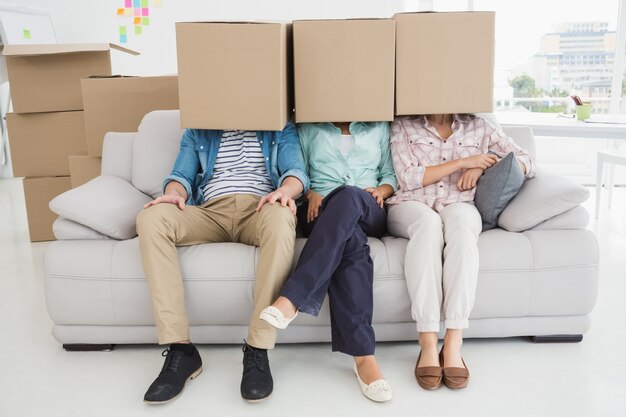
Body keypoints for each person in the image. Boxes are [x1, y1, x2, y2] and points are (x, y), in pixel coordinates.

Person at [136, 121, 309, 404]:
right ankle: (181, 351)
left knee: (282, 216)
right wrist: (174, 194)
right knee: (151, 218)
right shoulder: (198, 129)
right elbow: (180, 175)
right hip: (210, 212)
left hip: (260, 209)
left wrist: (286, 193)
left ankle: (257, 349)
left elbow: (296, 173)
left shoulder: (278, 126)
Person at [386, 114, 535, 390]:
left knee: (465, 227)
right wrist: (465, 162)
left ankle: (454, 340)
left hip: (459, 203)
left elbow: (525, 160)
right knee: (428, 226)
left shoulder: (481, 125)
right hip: (411, 204)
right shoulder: (404, 124)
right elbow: (407, 178)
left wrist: (483, 169)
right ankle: (428, 340)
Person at [258, 121, 397, 402]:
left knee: (348, 194)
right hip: (319, 212)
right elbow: (299, 173)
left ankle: (293, 298)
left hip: (368, 206)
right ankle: (364, 358)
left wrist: (382, 191)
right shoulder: (308, 127)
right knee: (352, 241)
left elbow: (390, 174)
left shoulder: (379, 126)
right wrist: (310, 193)